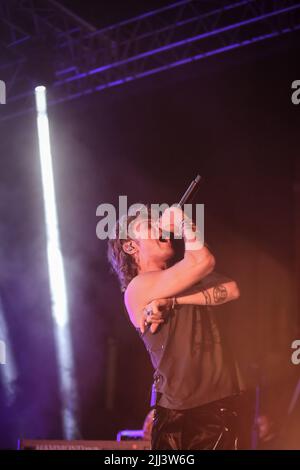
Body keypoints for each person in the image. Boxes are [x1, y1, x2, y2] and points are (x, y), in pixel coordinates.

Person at [108, 205, 253, 450]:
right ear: (131, 246)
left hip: (219, 404)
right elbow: (203, 259)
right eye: (148, 224)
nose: (160, 226)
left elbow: (231, 289)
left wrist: (174, 300)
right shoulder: (137, 288)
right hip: (177, 414)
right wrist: (183, 221)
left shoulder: (184, 280)